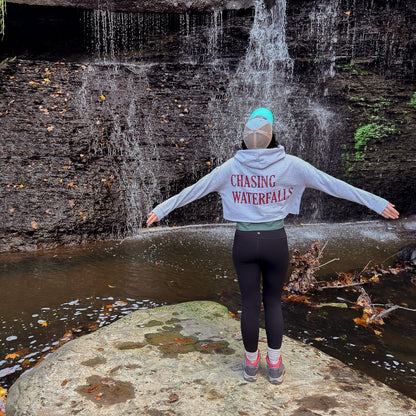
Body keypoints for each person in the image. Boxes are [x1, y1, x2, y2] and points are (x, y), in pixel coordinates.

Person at [146, 107, 399, 384]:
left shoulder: (230, 167)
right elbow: (334, 185)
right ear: (272, 136)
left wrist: (161, 209)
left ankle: (251, 365)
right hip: (275, 241)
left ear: (244, 139)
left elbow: (194, 190)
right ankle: (275, 366)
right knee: (273, 303)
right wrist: (377, 202)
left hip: (244, 242)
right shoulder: (292, 164)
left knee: (250, 303)